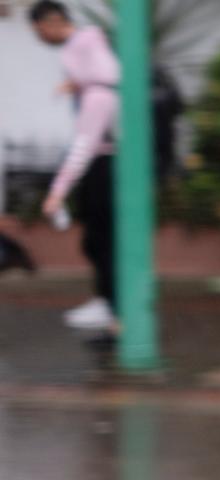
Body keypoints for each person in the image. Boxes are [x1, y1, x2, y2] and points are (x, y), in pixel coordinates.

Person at [29, 0, 120, 331]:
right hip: (103, 165)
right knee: (96, 240)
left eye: (39, 32)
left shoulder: (98, 95)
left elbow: (84, 146)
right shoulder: (96, 72)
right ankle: (107, 303)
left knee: (101, 242)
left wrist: (57, 193)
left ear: (52, 23)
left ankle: (114, 309)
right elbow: (101, 67)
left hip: (103, 166)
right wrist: (77, 84)